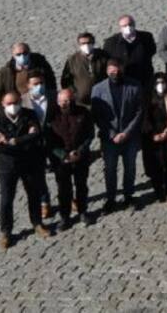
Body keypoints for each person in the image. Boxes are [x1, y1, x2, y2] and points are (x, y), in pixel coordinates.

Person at [0, 91, 49, 248]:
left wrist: (11, 141)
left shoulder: (29, 115)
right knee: (6, 199)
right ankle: (6, 232)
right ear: (3, 104)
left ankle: (37, 223)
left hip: (29, 162)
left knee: (33, 194)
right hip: (8, 165)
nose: (12, 106)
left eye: (15, 102)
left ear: (20, 102)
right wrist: (24, 139)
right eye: (9, 103)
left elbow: (36, 135)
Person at [89, 57, 142, 214]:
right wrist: (112, 134)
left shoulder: (134, 86)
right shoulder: (98, 89)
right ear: (107, 71)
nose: (115, 73)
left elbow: (139, 111)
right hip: (109, 138)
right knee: (110, 169)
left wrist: (126, 132)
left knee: (130, 167)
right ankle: (110, 198)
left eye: (118, 70)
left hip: (129, 136)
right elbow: (97, 115)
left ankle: (128, 196)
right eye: (112, 71)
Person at [48, 88, 94, 229]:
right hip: (61, 160)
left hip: (80, 157)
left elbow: (89, 134)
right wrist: (63, 155)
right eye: (62, 101)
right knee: (63, 189)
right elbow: (49, 140)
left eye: (67, 100)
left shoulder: (83, 113)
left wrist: (80, 151)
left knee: (81, 186)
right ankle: (65, 217)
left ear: (72, 100)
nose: (64, 103)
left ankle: (83, 211)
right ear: (57, 101)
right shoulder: (52, 116)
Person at [140, 73, 167, 205]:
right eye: (157, 83)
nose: (160, 85)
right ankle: (159, 191)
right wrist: (153, 135)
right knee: (155, 167)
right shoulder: (147, 99)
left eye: (162, 82)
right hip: (152, 139)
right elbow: (144, 119)